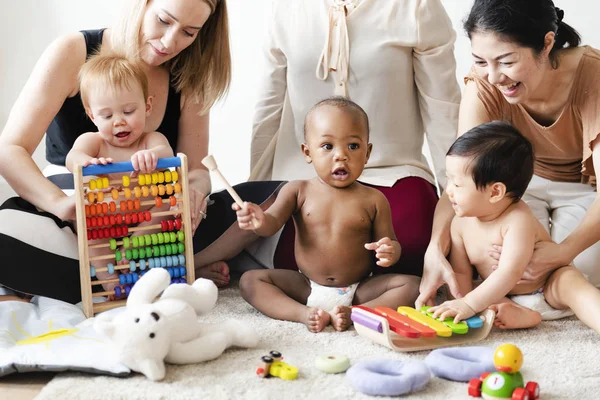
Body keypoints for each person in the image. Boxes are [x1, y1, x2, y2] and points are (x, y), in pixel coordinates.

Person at [194, 0, 461, 287]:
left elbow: (442, 111)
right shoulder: (287, 8)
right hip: (301, 181)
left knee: (411, 238)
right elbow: (269, 108)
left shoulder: (417, 7)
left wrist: (461, 204)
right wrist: (259, 194)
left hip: (391, 174)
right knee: (224, 217)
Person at [0, 0, 231, 303]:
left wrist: (194, 195)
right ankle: (148, 273)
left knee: (267, 204)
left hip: (150, 219)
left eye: (189, 32)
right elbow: (9, 150)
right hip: (76, 222)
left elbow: (196, 169)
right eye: (163, 20)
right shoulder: (74, 51)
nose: (170, 41)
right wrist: (61, 205)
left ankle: (141, 270)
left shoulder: (189, 74)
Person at [417, 0, 600, 308]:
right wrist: (435, 248)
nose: (492, 77)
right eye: (480, 61)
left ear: (546, 43)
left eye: (505, 61)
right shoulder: (484, 86)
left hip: (587, 189)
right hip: (516, 188)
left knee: (576, 272)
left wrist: (565, 251)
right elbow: (462, 177)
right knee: (514, 273)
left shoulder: (593, 76)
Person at [234, 97, 420, 333]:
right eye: (327, 146)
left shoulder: (374, 199)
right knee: (250, 281)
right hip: (307, 286)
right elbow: (270, 225)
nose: (341, 155)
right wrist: (258, 220)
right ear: (307, 152)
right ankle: (304, 314)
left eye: (353, 146)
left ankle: (356, 314)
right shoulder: (297, 190)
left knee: (412, 286)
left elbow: (390, 242)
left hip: (359, 289)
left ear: (367, 152)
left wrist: (390, 251)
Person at [428, 122, 600, 333]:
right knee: (475, 289)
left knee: (573, 284)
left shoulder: (518, 219)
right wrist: (462, 303)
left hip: (547, 284)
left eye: (457, 184)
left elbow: (510, 271)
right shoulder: (459, 224)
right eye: (449, 181)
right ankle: (521, 313)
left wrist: (470, 304)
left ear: (495, 192)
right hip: (500, 293)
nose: (450, 192)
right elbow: (462, 274)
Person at [66, 52, 175, 292]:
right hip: (105, 220)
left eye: (128, 111)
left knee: (169, 205)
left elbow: (167, 153)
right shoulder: (93, 141)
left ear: (147, 106)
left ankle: (134, 249)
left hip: (144, 221)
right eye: (107, 115)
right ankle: (112, 286)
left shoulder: (151, 139)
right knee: (90, 232)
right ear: (93, 115)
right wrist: (87, 162)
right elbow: (72, 158)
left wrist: (153, 155)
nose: (119, 121)